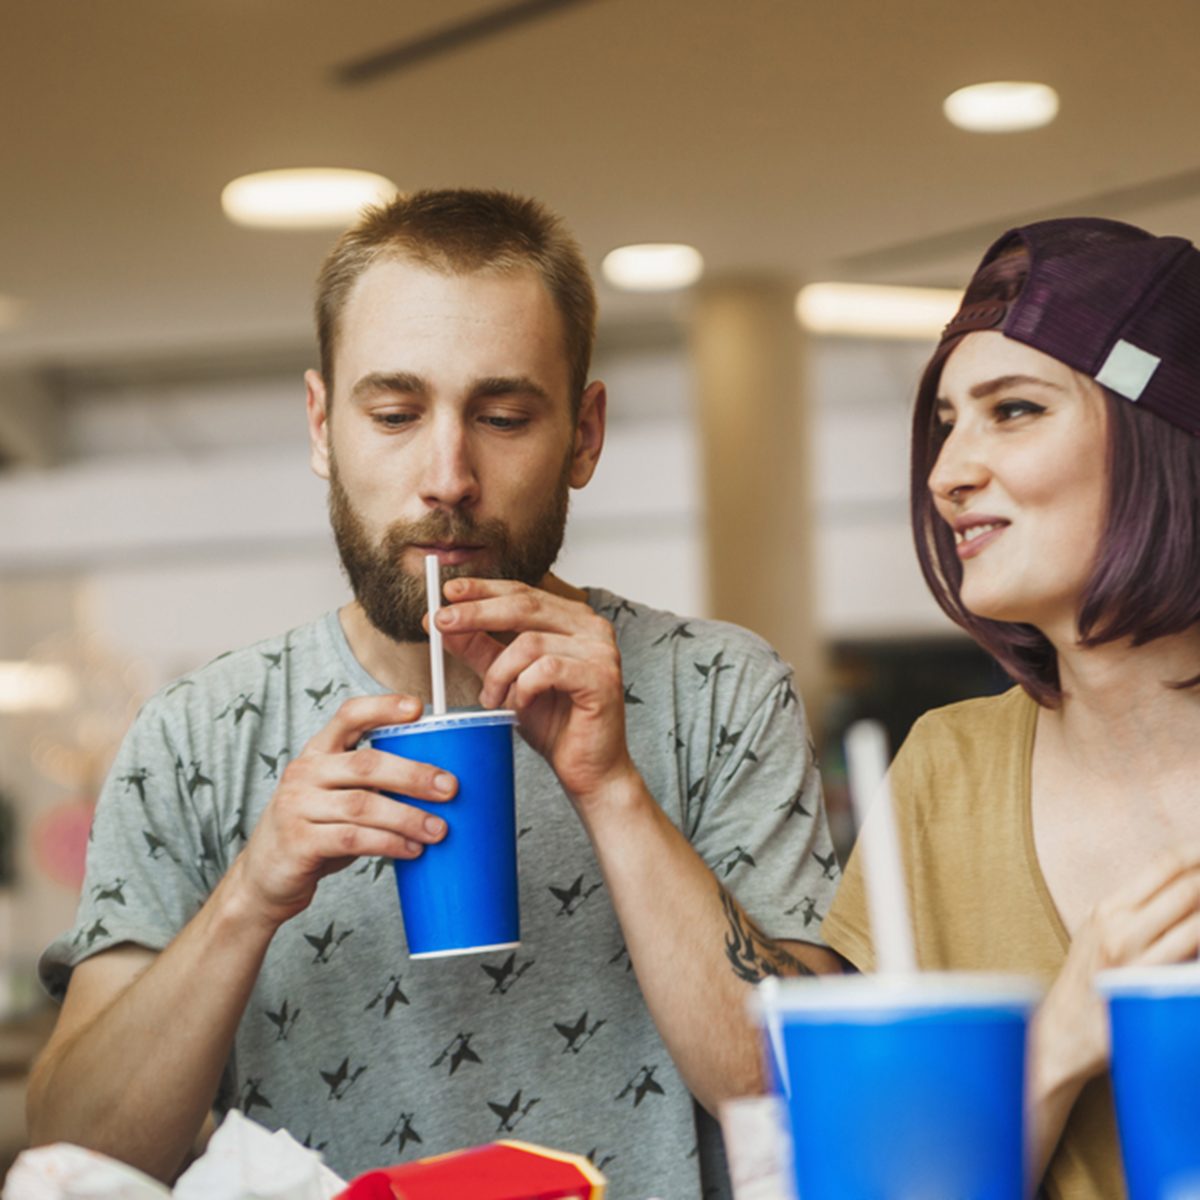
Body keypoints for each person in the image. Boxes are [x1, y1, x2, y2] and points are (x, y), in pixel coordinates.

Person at [28, 188, 841, 1198]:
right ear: (324, 427)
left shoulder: (722, 691)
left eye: (503, 416)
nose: (447, 474)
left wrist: (613, 792)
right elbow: (71, 1160)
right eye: (395, 413)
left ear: (584, 436)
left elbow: (817, 1102)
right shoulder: (196, 737)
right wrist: (248, 896)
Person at [822, 216, 1200, 1200]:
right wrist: (1062, 1037)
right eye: (947, 422)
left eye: (1016, 410)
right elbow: (885, 1186)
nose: (948, 473)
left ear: (1163, 429)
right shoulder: (944, 775)